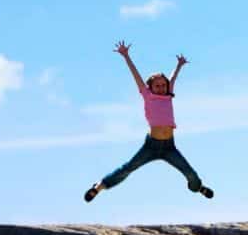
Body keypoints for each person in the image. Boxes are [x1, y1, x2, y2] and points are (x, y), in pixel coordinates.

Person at [85, 42, 213, 201]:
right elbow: (136, 75)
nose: (161, 88)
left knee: (189, 172)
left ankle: (197, 187)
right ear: (150, 87)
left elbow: (173, 78)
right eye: (157, 85)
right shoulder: (147, 95)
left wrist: (179, 65)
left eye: (163, 85)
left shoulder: (169, 95)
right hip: (151, 146)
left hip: (169, 147)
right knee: (128, 167)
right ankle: (99, 186)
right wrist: (126, 56)